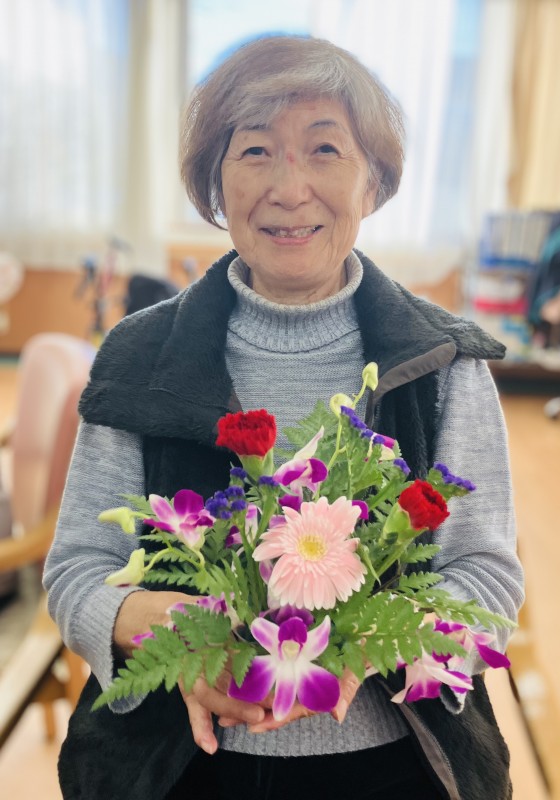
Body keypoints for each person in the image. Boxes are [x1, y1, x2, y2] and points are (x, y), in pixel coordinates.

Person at [44, 35, 524, 800]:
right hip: (178, 765)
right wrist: (169, 632)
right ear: (216, 181)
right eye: (256, 151)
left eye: (325, 149)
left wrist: (372, 645)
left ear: (373, 181)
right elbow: (76, 572)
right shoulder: (138, 356)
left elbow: (486, 576)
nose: (289, 188)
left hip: (400, 767)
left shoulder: (444, 362)